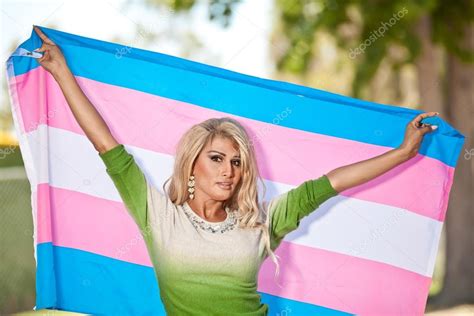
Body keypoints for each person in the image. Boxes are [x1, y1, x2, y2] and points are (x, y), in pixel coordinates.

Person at [32, 26, 439, 315]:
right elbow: (108, 146)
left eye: (237, 162)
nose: (229, 171)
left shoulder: (259, 224)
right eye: (217, 158)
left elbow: (328, 184)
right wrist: (62, 73)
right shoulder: (159, 216)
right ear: (191, 164)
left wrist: (402, 153)